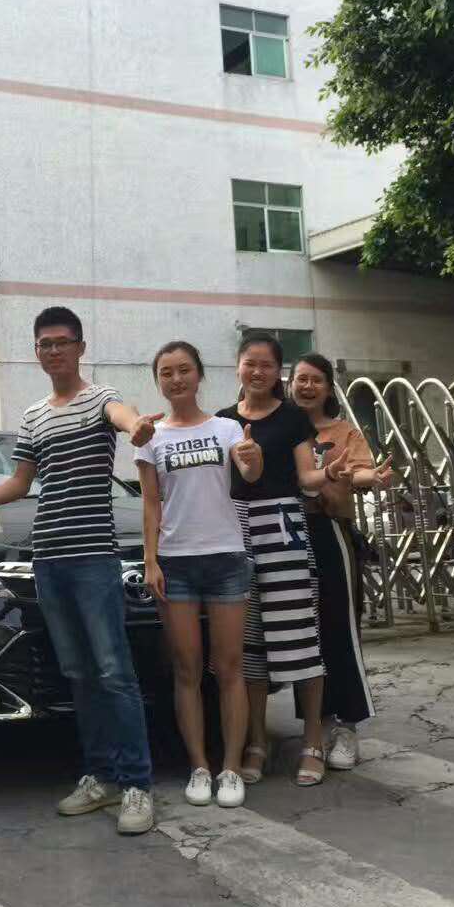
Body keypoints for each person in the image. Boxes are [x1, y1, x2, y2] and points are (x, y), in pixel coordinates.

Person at [0, 306, 162, 835]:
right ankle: (100, 775)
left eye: (61, 342)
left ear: (79, 348)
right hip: (48, 558)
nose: (53, 351)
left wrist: (138, 426)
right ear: (37, 351)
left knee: (114, 671)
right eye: (44, 344)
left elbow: (124, 416)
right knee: (78, 674)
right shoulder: (34, 416)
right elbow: (20, 482)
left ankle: (136, 783)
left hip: (94, 558)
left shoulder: (100, 398)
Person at [218, 331, 349, 787]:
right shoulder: (222, 420)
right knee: (248, 643)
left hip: (282, 525)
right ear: (237, 366)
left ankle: (312, 740)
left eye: (267, 365)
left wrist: (328, 473)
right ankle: (257, 741)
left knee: (300, 634)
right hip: (234, 527)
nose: (257, 372)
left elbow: (305, 475)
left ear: (278, 372)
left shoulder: (292, 417)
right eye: (250, 363)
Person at [136, 341, 263, 809]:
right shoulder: (150, 436)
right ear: (158, 381)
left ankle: (230, 767)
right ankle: (199, 766)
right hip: (176, 563)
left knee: (229, 668)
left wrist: (252, 458)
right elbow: (151, 503)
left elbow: (250, 474)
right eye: (166, 372)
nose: (176, 379)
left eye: (184, 370)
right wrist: (151, 561)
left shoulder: (227, 428)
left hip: (227, 557)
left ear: (199, 374)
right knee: (186, 670)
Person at [290, 353, 392, 769]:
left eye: (316, 379)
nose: (307, 386)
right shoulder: (282, 427)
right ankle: (316, 726)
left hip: (330, 531)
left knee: (340, 628)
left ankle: (347, 726)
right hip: (288, 537)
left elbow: (361, 471)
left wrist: (373, 478)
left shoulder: (343, 431)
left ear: (329, 388)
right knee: (302, 634)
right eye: (301, 378)